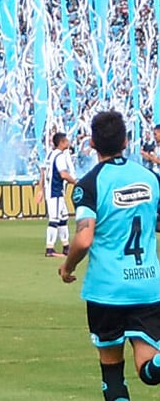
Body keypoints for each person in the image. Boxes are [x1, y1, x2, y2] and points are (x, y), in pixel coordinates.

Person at [59, 111, 160, 401]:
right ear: (126, 142)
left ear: (91, 143)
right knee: (148, 370)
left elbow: (84, 237)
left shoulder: (89, 184)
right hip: (147, 285)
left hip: (107, 290)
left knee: (112, 371)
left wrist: (67, 267)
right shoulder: (150, 179)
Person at [36, 132, 76, 258]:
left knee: (63, 218)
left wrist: (41, 189)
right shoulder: (59, 156)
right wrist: (76, 182)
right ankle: (50, 249)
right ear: (62, 142)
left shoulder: (50, 154)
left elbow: (43, 172)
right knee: (54, 220)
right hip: (55, 192)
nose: (68, 142)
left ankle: (66, 247)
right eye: (66, 140)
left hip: (53, 191)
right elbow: (63, 174)